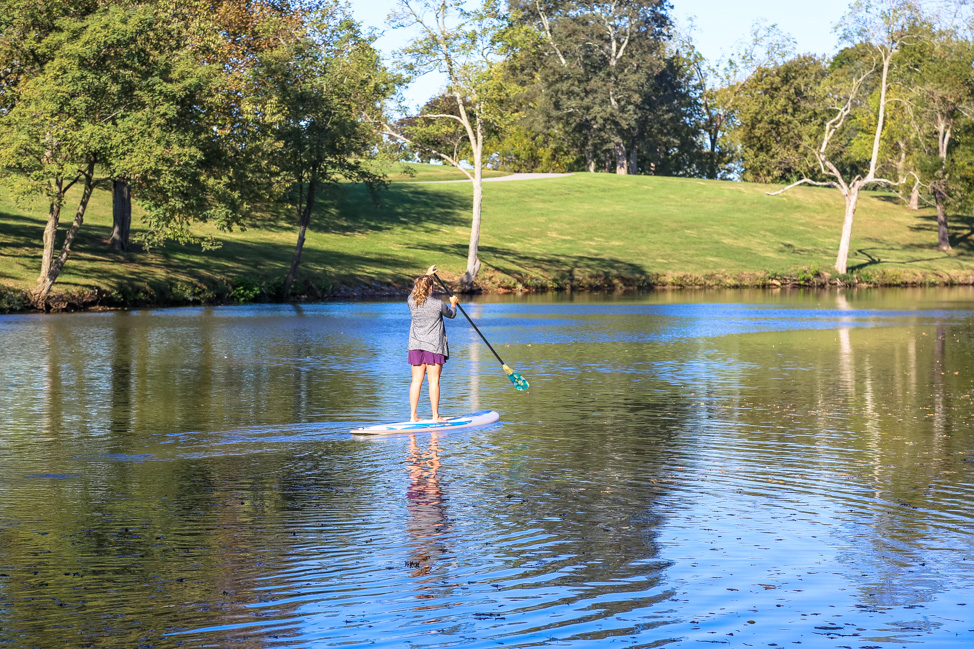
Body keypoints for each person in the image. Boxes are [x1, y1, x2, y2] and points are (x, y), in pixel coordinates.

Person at [407, 264, 459, 422]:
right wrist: (454, 303)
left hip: (415, 346)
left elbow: (416, 290)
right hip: (434, 347)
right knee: (434, 381)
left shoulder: (411, 301)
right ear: (430, 288)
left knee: (416, 381)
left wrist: (426, 275)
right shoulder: (438, 304)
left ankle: (413, 416)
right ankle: (435, 416)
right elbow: (451, 315)